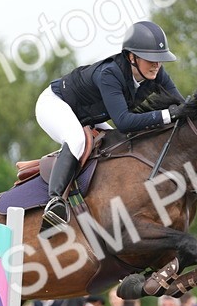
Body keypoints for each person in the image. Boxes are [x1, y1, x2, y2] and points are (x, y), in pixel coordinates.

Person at [35, 20, 184, 229]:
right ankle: (55, 201)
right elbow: (123, 121)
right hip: (54, 104)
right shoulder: (110, 74)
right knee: (76, 139)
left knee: (118, 142)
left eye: (160, 59)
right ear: (131, 57)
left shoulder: (157, 74)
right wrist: (167, 115)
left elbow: (182, 106)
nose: (157, 64)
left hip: (87, 116)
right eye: (151, 59)